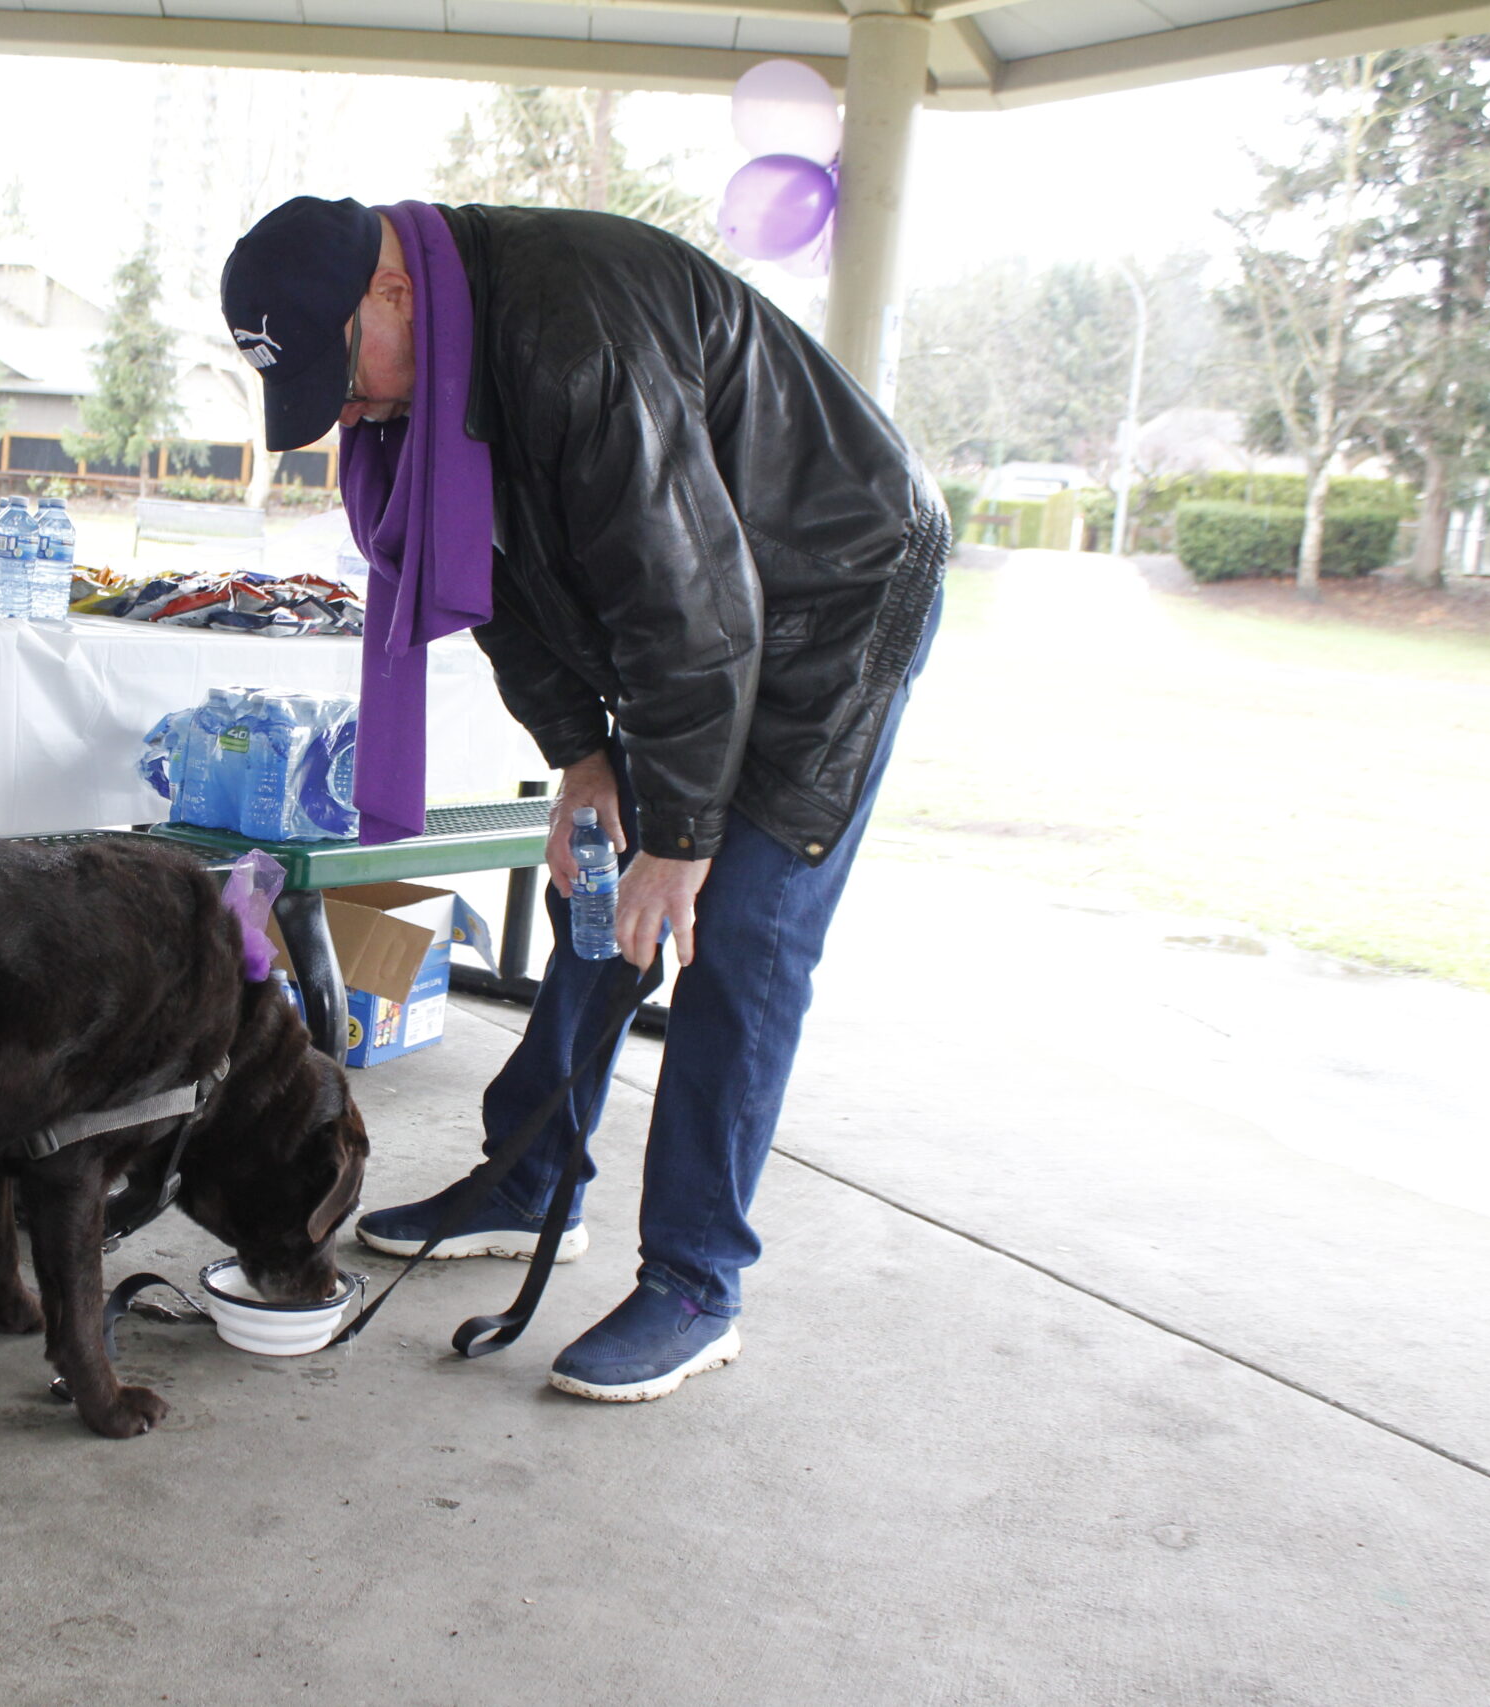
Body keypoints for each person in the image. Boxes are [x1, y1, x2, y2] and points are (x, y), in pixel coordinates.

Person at [220, 197, 946, 1403]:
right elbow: (498, 581)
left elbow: (692, 604)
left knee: (737, 932)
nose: (343, 415)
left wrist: (684, 839)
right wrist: (586, 762)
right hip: (700, 616)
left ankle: (696, 1280)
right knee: (597, 896)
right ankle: (528, 1177)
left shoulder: (576, 340)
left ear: (393, 294)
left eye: (340, 380)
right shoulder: (440, 366)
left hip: (832, 602)